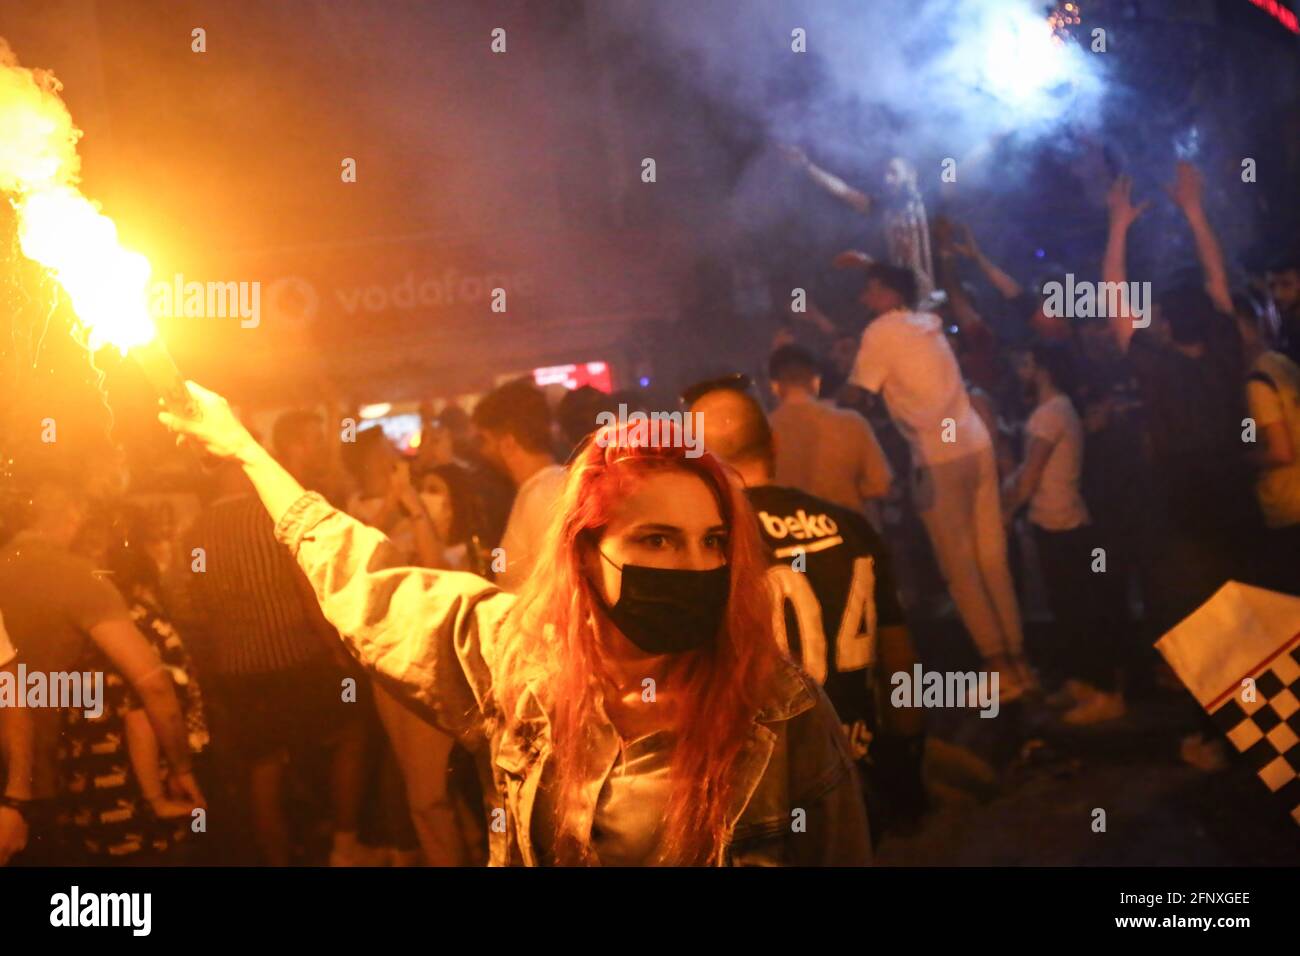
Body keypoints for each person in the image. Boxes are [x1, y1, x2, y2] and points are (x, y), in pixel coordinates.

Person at [161, 381, 871, 866]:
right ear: (586, 552)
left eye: (711, 542)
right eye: (656, 540)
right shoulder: (516, 657)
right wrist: (246, 450)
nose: (692, 565)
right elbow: (363, 579)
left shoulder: (782, 714)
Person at [689, 384, 926, 838]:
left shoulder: (711, 543)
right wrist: (909, 762)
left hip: (766, 791)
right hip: (860, 769)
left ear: (703, 464)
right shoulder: (850, 524)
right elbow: (899, 657)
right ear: (774, 443)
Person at [172, 414, 366, 866]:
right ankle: (345, 844)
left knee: (264, 769)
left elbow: (193, 606)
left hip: (238, 671)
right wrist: (341, 656)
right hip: (295, 658)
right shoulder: (271, 515)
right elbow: (306, 590)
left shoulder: (195, 532)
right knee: (351, 733)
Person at [845, 260, 1031, 698]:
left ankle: (998, 668)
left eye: (870, 290)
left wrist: (822, 408)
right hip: (976, 445)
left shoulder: (881, 333)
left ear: (889, 294)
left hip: (938, 456)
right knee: (992, 560)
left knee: (961, 569)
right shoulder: (928, 323)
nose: (863, 300)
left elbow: (859, 394)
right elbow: (916, 286)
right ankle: (1022, 664)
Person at [0, 477, 204, 865]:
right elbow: (152, 687)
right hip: (58, 778)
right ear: (74, 513)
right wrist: (181, 769)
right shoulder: (78, 577)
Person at [1003, 343, 1126, 724]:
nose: (1021, 369)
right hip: (1061, 521)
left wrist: (1006, 513)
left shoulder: (1048, 414)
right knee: (1070, 608)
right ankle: (1082, 685)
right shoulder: (1061, 409)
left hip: (1061, 523)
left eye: (1027, 361)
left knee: (1077, 610)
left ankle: (1105, 694)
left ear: (1043, 369)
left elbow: (1032, 473)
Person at [766, 344, 892, 527]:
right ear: (816, 382)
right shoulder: (851, 423)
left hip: (796, 542)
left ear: (775, 387)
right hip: (851, 534)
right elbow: (881, 484)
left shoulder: (761, 433)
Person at [471, 379, 567, 592]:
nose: (482, 452)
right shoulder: (536, 491)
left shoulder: (544, 495)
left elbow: (559, 589)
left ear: (508, 444)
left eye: (484, 441)